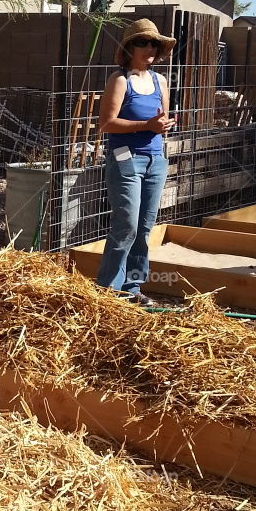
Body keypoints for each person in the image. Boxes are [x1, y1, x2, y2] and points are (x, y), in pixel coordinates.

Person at [96, 17, 176, 305]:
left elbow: (160, 120)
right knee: (126, 224)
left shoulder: (160, 80)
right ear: (130, 48)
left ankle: (132, 288)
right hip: (125, 159)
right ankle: (107, 291)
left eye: (154, 43)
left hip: (156, 160)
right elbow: (106, 124)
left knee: (144, 226)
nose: (149, 48)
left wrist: (164, 126)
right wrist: (146, 126)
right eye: (143, 42)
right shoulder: (120, 80)